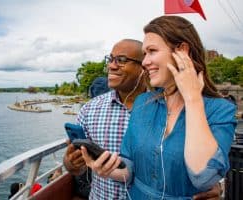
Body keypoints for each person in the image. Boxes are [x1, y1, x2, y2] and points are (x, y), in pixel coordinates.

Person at [81, 16, 237, 199]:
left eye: (152, 51)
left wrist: (193, 99)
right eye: (144, 54)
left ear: (182, 51)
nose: (145, 62)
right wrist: (105, 169)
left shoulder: (221, 110)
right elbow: (129, 168)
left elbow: (203, 177)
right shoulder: (142, 103)